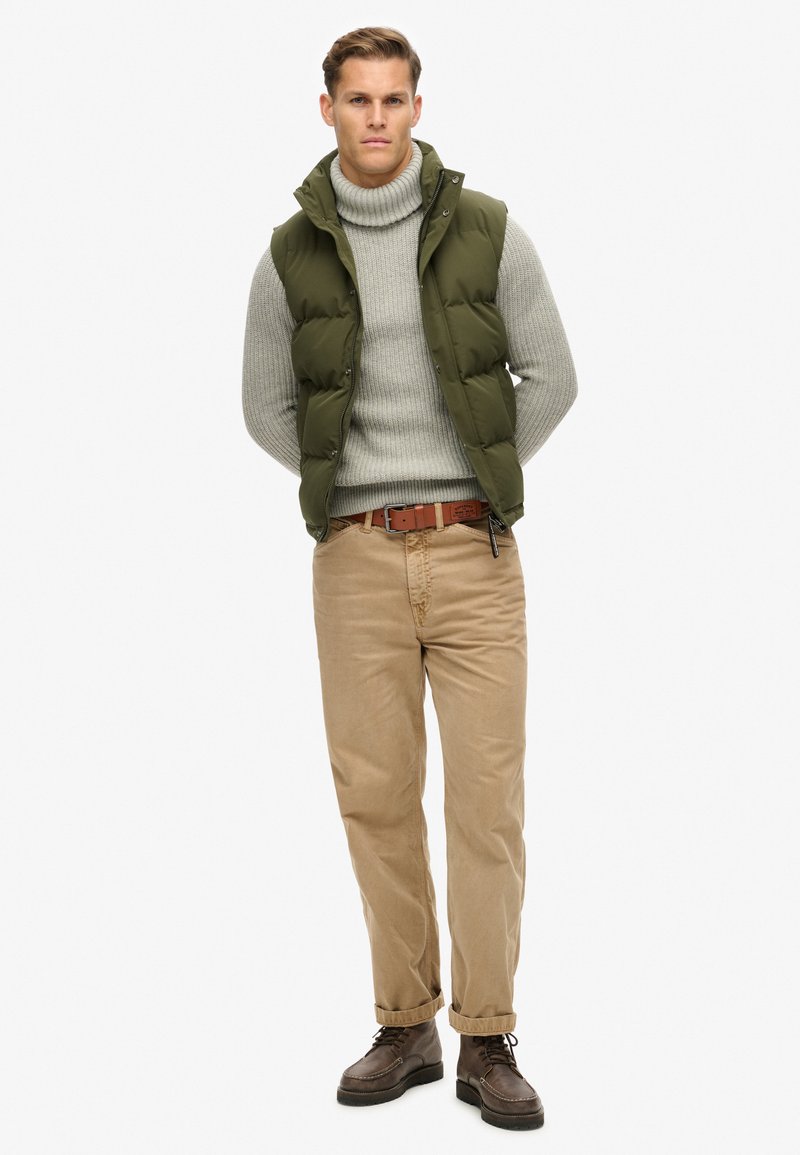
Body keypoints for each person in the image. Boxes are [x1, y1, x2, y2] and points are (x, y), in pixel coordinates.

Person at [242, 26, 577, 1131]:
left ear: (417, 108)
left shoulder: (487, 229)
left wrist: (478, 470)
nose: (376, 117)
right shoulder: (291, 252)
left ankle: (487, 1036)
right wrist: (349, 486)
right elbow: (264, 407)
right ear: (327, 109)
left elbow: (552, 375)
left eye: (393, 99)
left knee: (487, 804)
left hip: (476, 552)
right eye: (358, 99)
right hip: (353, 561)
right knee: (376, 798)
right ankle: (405, 1024)